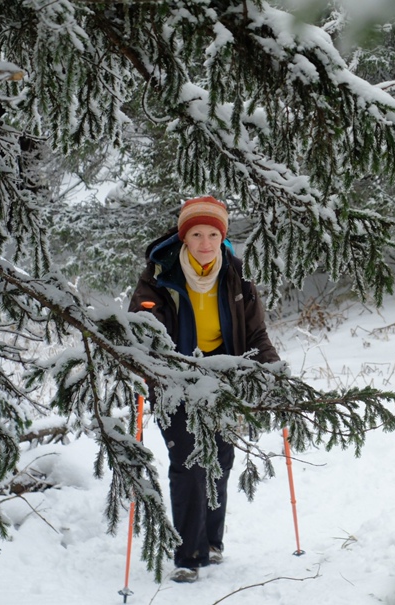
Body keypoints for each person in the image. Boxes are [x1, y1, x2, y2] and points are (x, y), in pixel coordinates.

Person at [128, 196, 280, 583]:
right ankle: (188, 555)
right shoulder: (160, 273)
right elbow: (143, 323)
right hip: (174, 378)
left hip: (224, 376)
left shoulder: (237, 276)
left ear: (222, 236)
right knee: (188, 463)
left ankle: (212, 540)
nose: (205, 242)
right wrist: (149, 337)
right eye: (197, 233)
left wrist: (272, 368)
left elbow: (256, 331)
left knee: (221, 459)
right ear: (184, 237)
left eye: (213, 234)